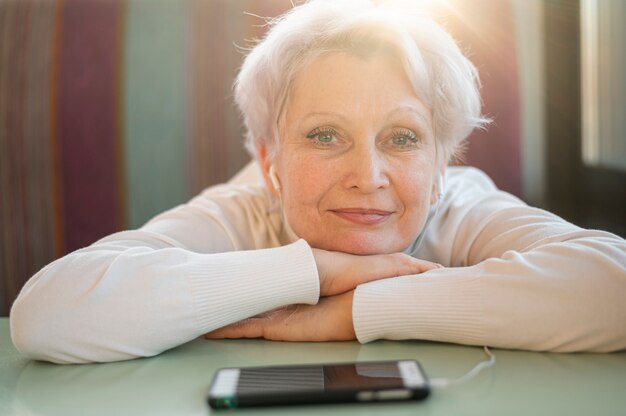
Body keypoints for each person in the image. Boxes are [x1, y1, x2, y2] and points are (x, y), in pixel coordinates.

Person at [10, 0, 626, 364]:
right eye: (325, 135)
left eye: (403, 138)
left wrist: (352, 312)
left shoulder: (460, 204)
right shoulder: (244, 209)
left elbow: (614, 288)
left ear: (443, 167)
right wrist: (317, 272)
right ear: (269, 162)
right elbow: (47, 315)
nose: (368, 177)